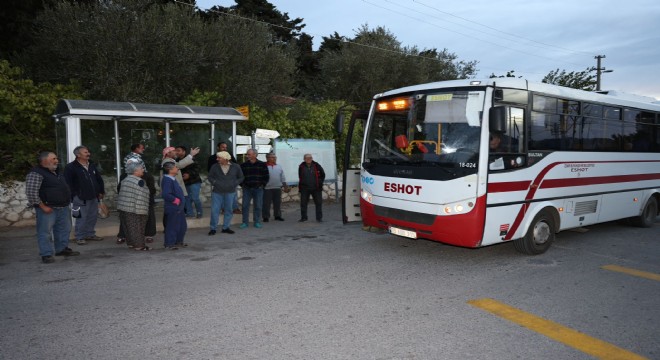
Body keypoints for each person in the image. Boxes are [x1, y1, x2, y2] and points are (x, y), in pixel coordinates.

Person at [26, 151, 80, 263]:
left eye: (56, 158)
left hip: (63, 207)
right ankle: (46, 254)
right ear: (45, 160)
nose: (57, 161)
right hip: (47, 208)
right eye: (54, 159)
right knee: (45, 232)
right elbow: (31, 193)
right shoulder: (36, 173)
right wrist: (42, 206)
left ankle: (61, 249)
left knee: (64, 229)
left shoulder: (57, 172)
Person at [64, 145, 105, 245]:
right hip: (80, 198)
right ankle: (80, 236)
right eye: (85, 152)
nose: (88, 154)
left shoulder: (91, 165)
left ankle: (90, 234)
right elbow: (67, 183)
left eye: (88, 152)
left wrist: (101, 191)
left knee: (92, 217)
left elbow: (99, 179)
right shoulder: (70, 167)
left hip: (94, 197)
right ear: (78, 155)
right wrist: (74, 196)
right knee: (81, 218)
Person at [117, 144, 156, 244]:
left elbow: (152, 190)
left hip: (145, 203)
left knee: (147, 219)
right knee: (127, 220)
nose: (141, 169)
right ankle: (124, 236)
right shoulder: (124, 176)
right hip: (129, 204)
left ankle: (148, 235)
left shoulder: (147, 176)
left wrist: (143, 197)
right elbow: (120, 189)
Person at [116, 161, 151, 251]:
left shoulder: (125, 180)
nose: (143, 170)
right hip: (135, 209)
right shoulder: (140, 181)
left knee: (128, 228)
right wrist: (143, 212)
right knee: (137, 228)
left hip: (123, 207)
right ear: (135, 171)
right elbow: (142, 197)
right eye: (141, 169)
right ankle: (139, 246)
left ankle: (131, 244)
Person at [207, 151, 244, 235]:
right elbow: (210, 177)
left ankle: (226, 227)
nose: (217, 159)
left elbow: (241, 177)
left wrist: (234, 183)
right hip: (217, 192)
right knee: (214, 211)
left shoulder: (236, 166)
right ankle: (213, 228)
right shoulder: (214, 166)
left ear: (225, 158)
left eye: (219, 158)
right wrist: (215, 182)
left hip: (230, 192)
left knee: (229, 210)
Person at [207, 142, 240, 214]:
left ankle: (235, 208)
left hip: (230, 180)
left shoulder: (229, 156)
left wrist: (235, 181)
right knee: (220, 195)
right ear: (218, 148)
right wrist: (215, 181)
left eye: (225, 147)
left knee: (233, 194)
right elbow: (209, 171)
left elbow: (235, 166)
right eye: (223, 147)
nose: (225, 149)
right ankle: (223, 209)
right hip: (218, 180)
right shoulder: (212, 158)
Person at [239, 148, 269, 229]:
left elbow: (266, 177)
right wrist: (243, 185)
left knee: (258, 206)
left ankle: (257, 222)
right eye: (247, 154)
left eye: (249, 154)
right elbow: (240, 177)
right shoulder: (243, 165)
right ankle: (245, 222)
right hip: (247, 189)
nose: (247, 156)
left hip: (258, 189)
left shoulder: (262, 164)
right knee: (245, 206)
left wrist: (262, 185)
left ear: (255, 155)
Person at [161, 162, 187, 250]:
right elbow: (165, 194)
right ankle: (169, 243)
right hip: (173, 207)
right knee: (172, 226)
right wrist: (176, 200)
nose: (178, 168)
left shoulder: (172, 178)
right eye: (176, 167)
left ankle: (178, 241)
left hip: (178, 207)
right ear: (170, 170)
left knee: (181, 226)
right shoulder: (167, 180)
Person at [298, 153, 325, 222]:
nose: (309, 159)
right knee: (303, 204)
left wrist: (320, 182)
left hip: (316, 188)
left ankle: (319, 218)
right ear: (304, 159)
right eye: (307, 158)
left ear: (312, 158)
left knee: (318, 203)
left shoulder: (316, 165)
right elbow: (300, 176)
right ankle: (304, 217)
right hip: (305, 188)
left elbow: (323, 174)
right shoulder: (301, 166)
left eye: (310, 158)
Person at [177, 146, 203, 219]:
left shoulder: (192, 158)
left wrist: (189, 174)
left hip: (194, 181)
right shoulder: (177, 160)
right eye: (176, 151)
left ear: (184, 151)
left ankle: (199, 212)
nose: (177, 152)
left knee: (195, 198)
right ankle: (189, 213)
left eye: (179, 150)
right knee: (186, 199)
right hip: (185, 183)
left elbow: (198, 168)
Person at [262, 152, 288, 222]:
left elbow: (282, 177)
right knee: (266, 204)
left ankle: (277, 216)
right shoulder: (263, 166)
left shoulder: (279, 166)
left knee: (277, 203)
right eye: (272, 157)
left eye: (275, 157)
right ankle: (265, 217)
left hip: (277, 187)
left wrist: (285, 186)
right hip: (267, 188)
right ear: (267, 158)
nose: (274, 158)